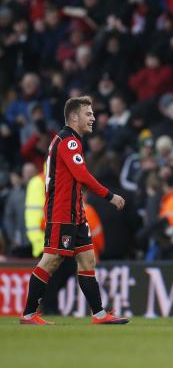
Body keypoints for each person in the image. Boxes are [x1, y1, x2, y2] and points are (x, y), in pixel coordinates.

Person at [20, 96, 128, 325]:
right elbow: (82, 175)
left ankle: (99, 314)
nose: (93, 118)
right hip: (62, 213)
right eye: (88, 114)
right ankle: (29, 313)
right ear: (74, 117)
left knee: (88, 260)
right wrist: (110, 196)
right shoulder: (68, 140)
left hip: (75, 213)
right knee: (51, 260)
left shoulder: (68, 140)